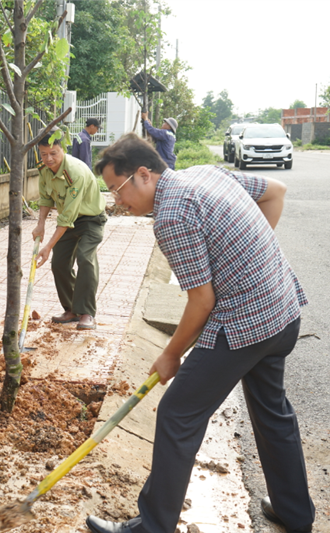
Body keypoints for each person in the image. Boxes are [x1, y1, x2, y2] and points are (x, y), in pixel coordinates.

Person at [86, 133, 314, 533]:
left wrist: (171, 354)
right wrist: (249, 258)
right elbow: (275, 192)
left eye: (117, 190)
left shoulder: (171, 214)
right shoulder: (207, 174)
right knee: (272, 412)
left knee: (177, 413)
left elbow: (201, 302)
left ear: (144, 174)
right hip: (282, 309)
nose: (117, 202)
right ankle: (295, 514)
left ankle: (152, 527)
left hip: (245, 325)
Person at [33, 128, 107, 331]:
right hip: (69, 220)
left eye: (53, 153)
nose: (48, 159)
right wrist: (40, 224)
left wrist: (48, 245)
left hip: (90, 219)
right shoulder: (45, 170)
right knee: (59, 263)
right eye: (44, 154)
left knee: (85, 258)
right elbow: (46, 198)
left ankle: (87, 313)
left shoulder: (75, 172)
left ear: (63, 149)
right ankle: (72, 310)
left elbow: (67, 217)